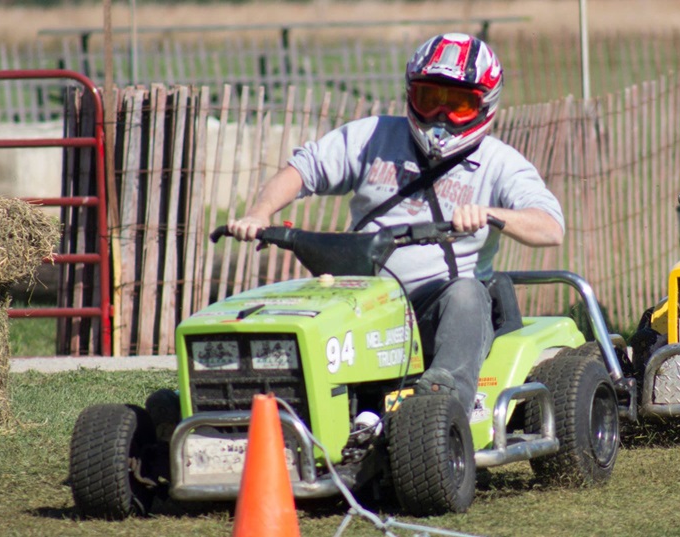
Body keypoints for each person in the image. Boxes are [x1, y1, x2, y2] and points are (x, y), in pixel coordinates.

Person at [228, 33, 565, 416]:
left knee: (467, 294)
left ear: (484, 104)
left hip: (437, 310)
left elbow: (551, 227)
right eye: (430, 98)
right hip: (363, 298)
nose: (440, 115)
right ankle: (270, 400)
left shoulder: (500, 163)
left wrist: (492, 214)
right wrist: (259, 213)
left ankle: (441, 402)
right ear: (410, 94)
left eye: (457, 104)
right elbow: (303, 170)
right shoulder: (373, 135)